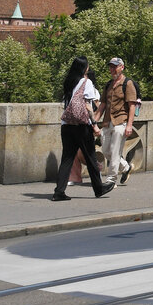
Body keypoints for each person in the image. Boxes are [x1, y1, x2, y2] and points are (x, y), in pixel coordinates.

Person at [53, 56, 113, 201]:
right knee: (91, 157)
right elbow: (87, 106)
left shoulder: (68, 82)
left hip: (66, 125)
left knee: (67, 159)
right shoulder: (86, 82)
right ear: (84, 68)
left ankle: (59, 191)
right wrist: (94, 125)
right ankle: (99, 189)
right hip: (81, 126)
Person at [99, 56, 138, 185]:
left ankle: (111, 180)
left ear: (122, 67)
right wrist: (93, 121)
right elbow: (102, 105)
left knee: (115, 152)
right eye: (111, 67)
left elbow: (132, 106)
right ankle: (126, 167)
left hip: (121, 121)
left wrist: (129, 125)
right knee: (106, 151)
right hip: (107, 121)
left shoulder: (128, 83)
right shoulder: (108, 84)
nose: (112, 69)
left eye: (115, 67)